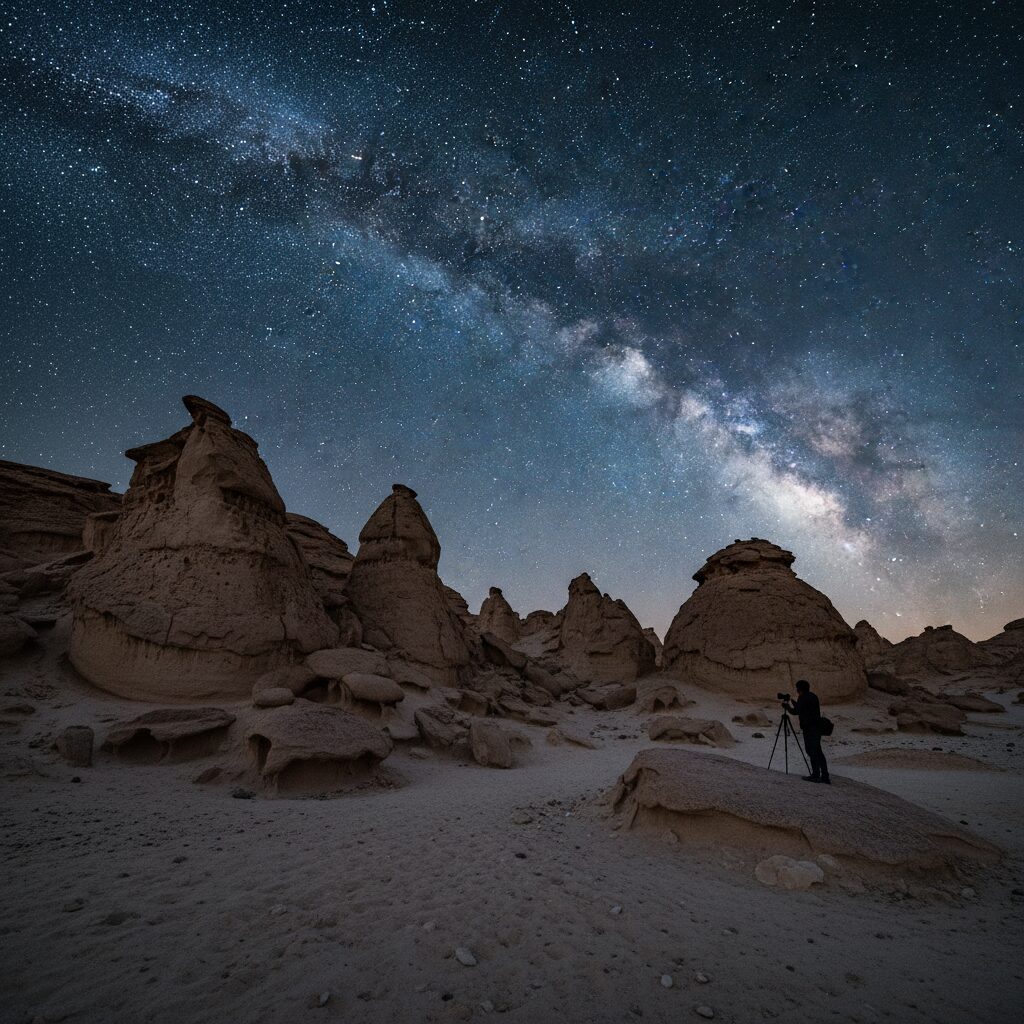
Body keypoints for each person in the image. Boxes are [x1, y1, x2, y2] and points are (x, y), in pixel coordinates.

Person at [783, 679, 830, 784]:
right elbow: (803, 708)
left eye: (797, 688)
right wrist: (792, 701)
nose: (797, 690)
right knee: (818, 751)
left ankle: (816, 775)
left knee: (811, 751)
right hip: (817, 728)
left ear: (799, 689)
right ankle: (825, 776)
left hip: (809, 729)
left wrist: (787, 707)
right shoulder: (813, 696)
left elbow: (796, 711)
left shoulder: (803, 697)